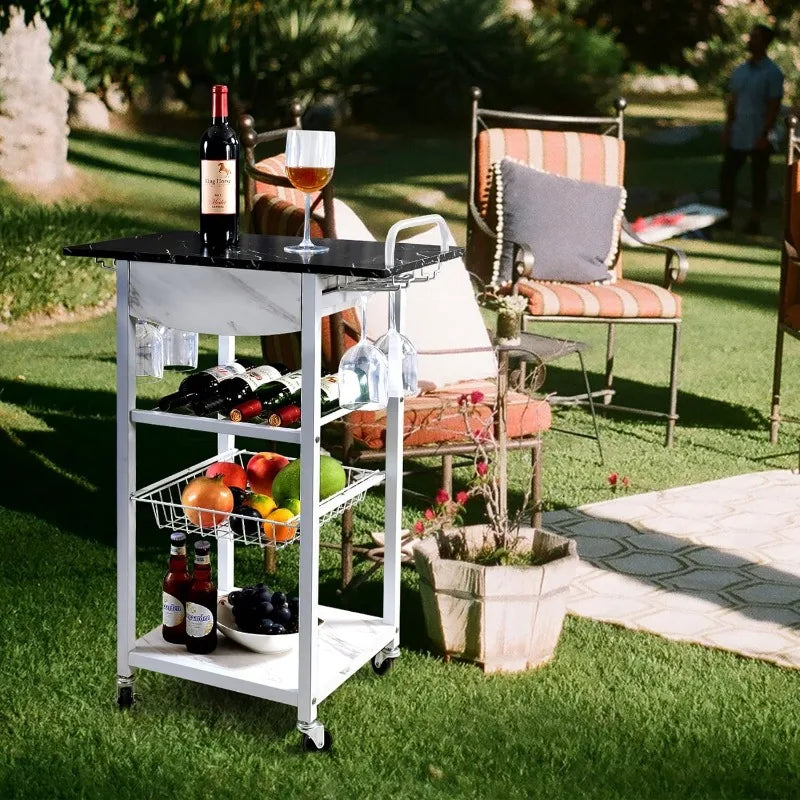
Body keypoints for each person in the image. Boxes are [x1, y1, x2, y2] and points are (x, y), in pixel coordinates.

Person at [718, 24, 784, 235]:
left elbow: (774, 105)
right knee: (727, 175)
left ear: (764, 42)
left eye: (755, 37)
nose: (750, 40)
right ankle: (725, 215)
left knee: (758, 179)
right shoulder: (740, 71)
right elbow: (733, 101)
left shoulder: (772, 73)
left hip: (759, 133)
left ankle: (755, 220)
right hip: (738, 132)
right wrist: (728, 128)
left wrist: (765, 133)